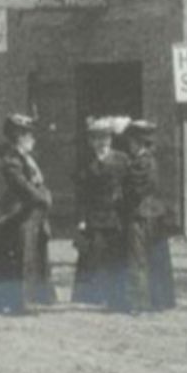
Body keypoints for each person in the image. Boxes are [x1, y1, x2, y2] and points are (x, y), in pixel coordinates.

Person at [0, 114, 56, 315]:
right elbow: (22, 187)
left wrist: (43, 195)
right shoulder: (12, 161)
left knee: (31, 256)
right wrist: (42, 198)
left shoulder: (25, 158)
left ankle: (31, 298)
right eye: (29, 135)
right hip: (16, 214)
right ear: (19, 136)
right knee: (20, 257)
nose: (33, 139)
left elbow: (36, 183)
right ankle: (18, 302)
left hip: (29, 214)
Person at [119, 119, 177, 314]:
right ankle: (157, 300)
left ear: (138, 142)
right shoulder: (150, 160)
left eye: (131, 142)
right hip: (154, 214)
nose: (129, 145)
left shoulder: (141, 163)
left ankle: (139, 302)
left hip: (140, 214)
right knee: (154, 258)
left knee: (138, 258)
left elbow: (134, 190)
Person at [72, 116, 130, 309]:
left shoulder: (122, 159)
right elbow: (81, 194)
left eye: (105, 138)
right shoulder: (85, 163)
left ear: (111, 139)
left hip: (115, 215)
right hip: (94, 215)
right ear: (90, 142)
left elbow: (129, 187)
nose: (101, 143)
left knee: (115, 255)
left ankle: (115, 295)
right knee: (93, 255)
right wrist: (81, 219)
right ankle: (91, 296)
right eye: (96, 139)